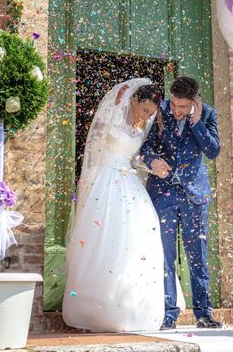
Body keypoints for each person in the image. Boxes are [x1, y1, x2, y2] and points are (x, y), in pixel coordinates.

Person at [62, 78, 165, 332]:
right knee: (104, 238)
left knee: (137, 237)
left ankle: (129, 305)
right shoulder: (112, 117)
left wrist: (150, 165)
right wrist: (114, 105)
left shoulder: (140, 128)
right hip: (106, 180)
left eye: (151, 113)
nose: (146, 116)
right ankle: (95, 307)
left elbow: (134, 157)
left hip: (129, 181)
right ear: (133, 100)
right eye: (144, 110)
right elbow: (96, 146)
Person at [140, 76, 222, 330]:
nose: (176, 110)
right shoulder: (161, 111)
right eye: (174, 103)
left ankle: (203, 313)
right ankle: (168, 314)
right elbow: (145, 146)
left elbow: (213, 150)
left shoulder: (207, 115)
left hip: (194, 195)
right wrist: (152, 161)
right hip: (162, 193)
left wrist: (197, 123)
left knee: (197, 254)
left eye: (183, 106)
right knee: (164, 255)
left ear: (195, 102)